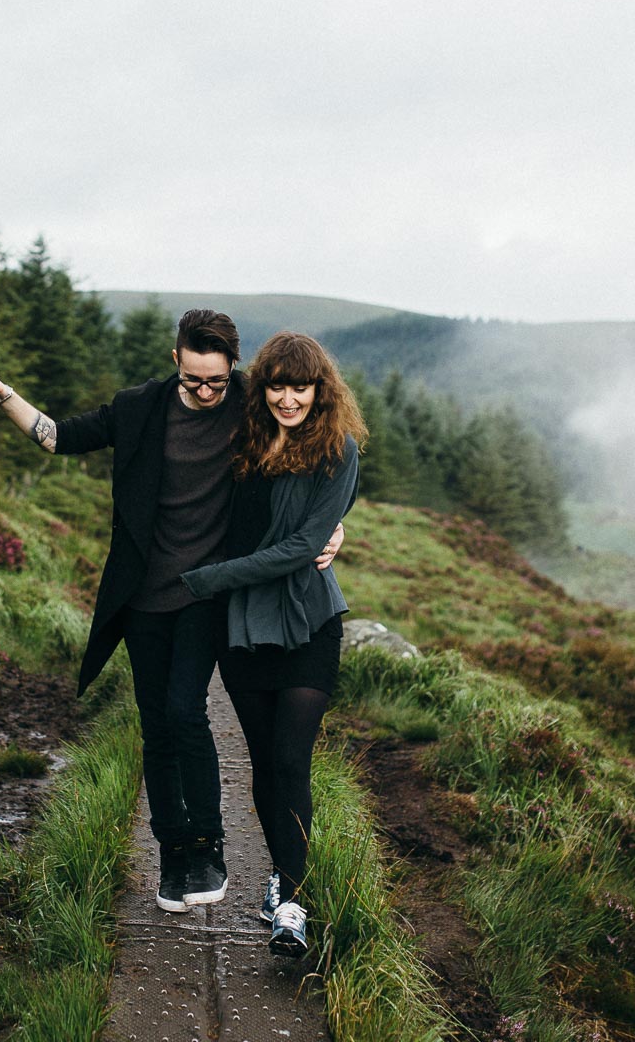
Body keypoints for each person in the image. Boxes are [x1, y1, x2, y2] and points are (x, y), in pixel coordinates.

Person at [0, 311, 342, 914]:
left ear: (234, 368)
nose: (206, 392)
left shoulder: (252, 403)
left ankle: (210, 845)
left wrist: (333, 526)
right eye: (193, 381)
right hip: (142, 594)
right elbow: (61, 436)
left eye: (216, 381)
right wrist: (3, 394)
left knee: (186, 711)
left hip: (206, 592)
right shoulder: (139, 408)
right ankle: (173, 857)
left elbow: (312, 451)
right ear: (175, 360)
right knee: (155, 724)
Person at [179, 331, 365, 958]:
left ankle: (293, 902)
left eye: (301, 387)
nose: (289, 399)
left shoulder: (336, 451)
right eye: (278, 386)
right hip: (244, 630)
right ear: (261, 389)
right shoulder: (242, 440)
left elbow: (302, 547)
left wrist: (207, 580)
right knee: (263, 761)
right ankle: (283, 883)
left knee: (292, 759)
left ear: (320, 390)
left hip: (309, 620)